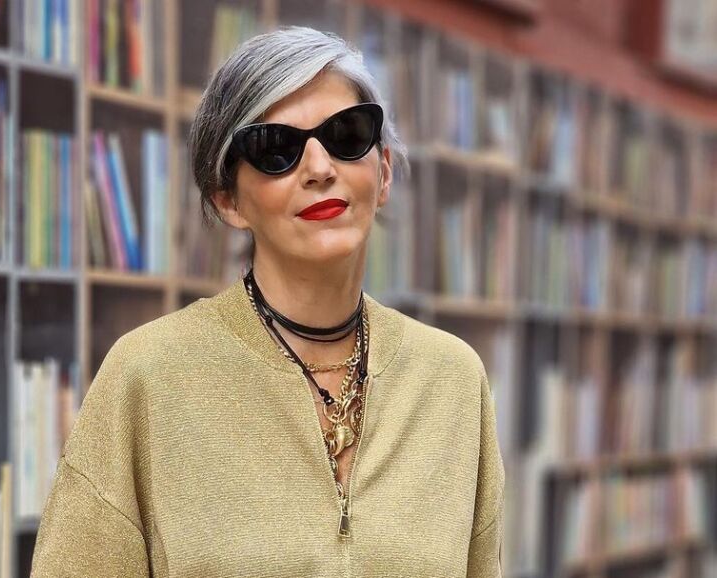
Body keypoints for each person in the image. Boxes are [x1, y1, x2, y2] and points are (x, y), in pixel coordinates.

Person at [31, 26, 504, 577]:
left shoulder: (453, 379)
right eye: (277, 148)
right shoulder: (147, 375)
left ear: (383, 173)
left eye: (347, 134)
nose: (320, 168)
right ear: (228, 200)